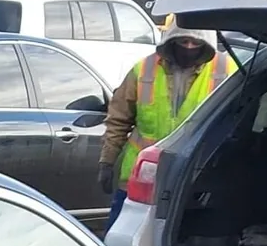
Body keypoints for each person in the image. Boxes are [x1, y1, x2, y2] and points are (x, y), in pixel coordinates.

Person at [100, 28, 234, 224]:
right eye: (184, 41)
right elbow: (118, 119)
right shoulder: (144, 69)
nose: (189, 47)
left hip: (193, 182)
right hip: (141, 179)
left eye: (196, 43)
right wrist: (107, 161)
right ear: (172, 41)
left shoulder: (227, 70)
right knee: (122, 235)